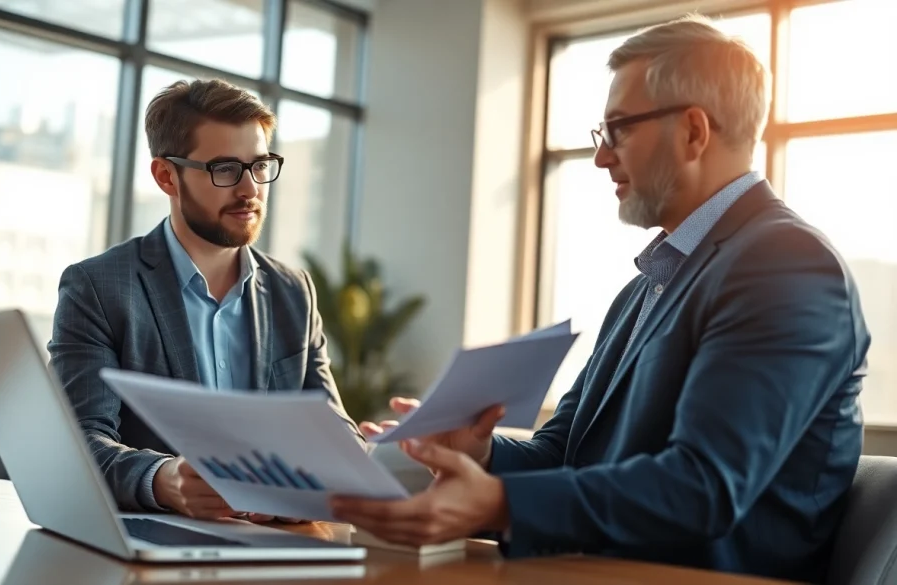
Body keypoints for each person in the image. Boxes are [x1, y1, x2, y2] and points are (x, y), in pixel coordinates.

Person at [330, 14, 870, 583]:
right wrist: (480, 454)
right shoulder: (646, 286)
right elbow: (565, 454)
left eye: (619, 130)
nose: (601, 156)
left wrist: (499, 503)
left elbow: (704, 488)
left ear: (693, 131)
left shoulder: (786, 266)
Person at [47, 78, 363, 523]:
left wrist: (343, 468)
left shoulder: (294, 292)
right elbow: (77, 442)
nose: (250, 189)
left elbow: (331, 430)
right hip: (154, 550)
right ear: (166, 176)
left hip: (279, 549)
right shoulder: (98, 288)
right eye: (226, 169)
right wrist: (162, 478)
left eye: (260, 165)